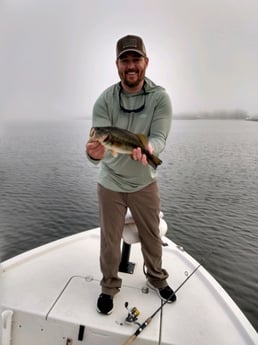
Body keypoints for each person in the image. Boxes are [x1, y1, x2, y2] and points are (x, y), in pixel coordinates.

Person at [86, 34, 176, 315]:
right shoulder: (105, 100)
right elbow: (96, 146)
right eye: (125, 60)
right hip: (110, 182)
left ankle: (157, 279)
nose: (131, 65)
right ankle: (109, 286)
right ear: (117, 65)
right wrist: (93, 153)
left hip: (144, 182)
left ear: (146, 62)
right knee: (110, 240)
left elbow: (159, 137)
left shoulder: (160, 98)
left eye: (136, 59)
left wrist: (149, 148)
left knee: (151, 236)